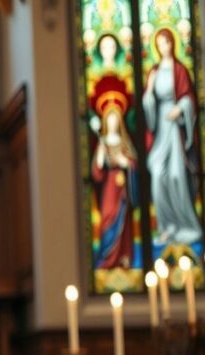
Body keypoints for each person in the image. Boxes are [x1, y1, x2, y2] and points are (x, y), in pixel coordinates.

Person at [143, 28, 203, 247]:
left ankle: (187, 225)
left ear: (172, 44)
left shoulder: (180, 70)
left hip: (177, 129)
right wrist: (149, 91)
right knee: (158, 175)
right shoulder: (154, 72)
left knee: (177, 175)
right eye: (159, 44)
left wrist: (181, 108)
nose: (163, 47)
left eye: (166, 43)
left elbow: (189, 98)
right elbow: (148, 103)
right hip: (161, 125)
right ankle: (167, 226)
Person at [91, 76, 137, 269]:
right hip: (110, 187)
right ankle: (109, 256)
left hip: (123, 188)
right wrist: (101, 158)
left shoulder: (125, 143)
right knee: (108, 217)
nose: (111, 122)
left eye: (114, 119)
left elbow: (134, 164)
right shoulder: (102, 143)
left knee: (124, 222)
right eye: (108, 119)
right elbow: (96, 173)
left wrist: (125, 162)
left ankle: (125, 256)